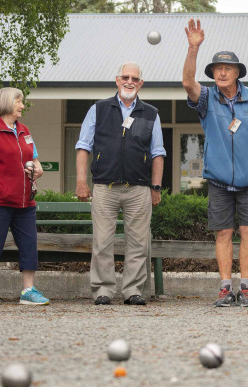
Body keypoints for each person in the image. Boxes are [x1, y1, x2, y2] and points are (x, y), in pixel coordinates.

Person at [182, 19, 248, 307]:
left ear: (238, 72)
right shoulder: (206, 99)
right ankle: (226, 289)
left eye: (227, 68)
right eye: (217, 69)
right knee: (224, 232)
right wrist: (193, 48)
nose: (222, 72)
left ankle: (247, 289)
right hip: (218, 179)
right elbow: (188, 83)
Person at [75, 61, 166, 306]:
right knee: (102, 241)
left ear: (141, 84)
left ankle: (133, 290)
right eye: (125, 77)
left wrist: (155, 187)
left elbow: (158, 153)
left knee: (138, 242)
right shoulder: (99, 109)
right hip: (105, 187)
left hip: (139, 189)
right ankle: (103, 290)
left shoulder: (151, 113)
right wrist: (81, 181)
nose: (129, 82)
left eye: (135, 78)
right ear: (117, 80)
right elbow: (84, 146)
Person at [0, 87, 50, 305]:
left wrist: (37, 170)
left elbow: (36, 162)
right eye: (19, 102)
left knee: (29, 243)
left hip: (25, 201)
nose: (22, 106)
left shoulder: (23, 130)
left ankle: (28, 291)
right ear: (6, 103)